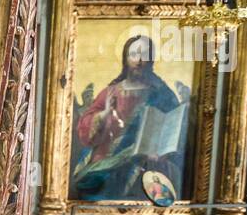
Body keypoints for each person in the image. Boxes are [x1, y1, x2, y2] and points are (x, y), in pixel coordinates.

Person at [72, 35, 183, 199]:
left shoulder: (162, 94)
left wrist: (161, 151)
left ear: (151, 60)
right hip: (108, 158)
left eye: (144, 55)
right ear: (125, 58)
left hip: (148, 162)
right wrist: (103, 115)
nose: (138, 60)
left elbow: (174, 127)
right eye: (134, 54)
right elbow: (85, 128)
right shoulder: (111, 92)